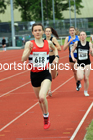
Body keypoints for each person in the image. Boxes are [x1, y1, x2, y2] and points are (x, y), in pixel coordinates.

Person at [21, 23, 59, 129]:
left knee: (43, 97)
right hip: (34, 75)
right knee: (39, 100)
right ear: (32, 32)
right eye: (35, 30)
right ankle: (44, 114)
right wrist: (29, 50)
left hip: (45, 74)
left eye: (39, 30)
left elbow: (55, 48)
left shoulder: (48, 42)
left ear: (43, 32)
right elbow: (23, 59)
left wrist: (56, 57)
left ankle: (46, 116)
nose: (37, 32)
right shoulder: (29, 43)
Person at [71, 31, 93, 96]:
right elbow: (71, 52)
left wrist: (91, 51)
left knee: (86, 78)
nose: (82, 36)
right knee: (80, 77)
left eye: (84, 35)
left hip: (87, 63)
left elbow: (92, 55)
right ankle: (79, 81)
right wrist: (73, 58)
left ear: (86, 36)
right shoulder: (77, 43)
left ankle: (85, 91)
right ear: (79, 37)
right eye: (81, 35)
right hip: (79, 63)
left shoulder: (89, 44)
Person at [63, 26, 81, 91]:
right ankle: (77, 83)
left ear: (75, 31)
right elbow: (64, 48)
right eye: (70, 30)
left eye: (73, 30)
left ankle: (79, 79)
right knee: (75, 72)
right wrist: (69, 42)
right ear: (69, 31)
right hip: (71, 57)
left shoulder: (78, 37)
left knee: (79, 70)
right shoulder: (67, 38)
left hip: (79, 56)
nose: (72, 31)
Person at [44, 27, 61, 96]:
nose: (48, 33)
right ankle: (49, 90)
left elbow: (59, 48)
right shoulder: (43, 40)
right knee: (48, 73)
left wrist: (52, 47)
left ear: (51, 32)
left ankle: (56, 73)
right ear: (44, 33)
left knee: (53, 76)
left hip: (54, 58)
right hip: (47, 58)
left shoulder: (53, 39)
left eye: (49, 31)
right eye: (46, 31)